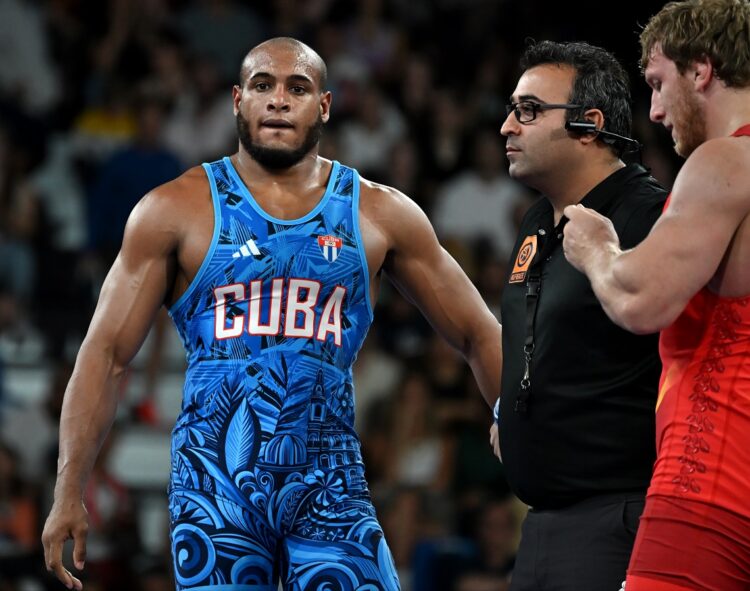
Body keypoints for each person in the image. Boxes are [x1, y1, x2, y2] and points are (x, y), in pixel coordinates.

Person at [40, 37, 502, 591]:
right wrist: (70, 487)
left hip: (329, 483)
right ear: (238, 100)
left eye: (297, 87)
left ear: (324, 106)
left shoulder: (380, 211)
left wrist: (513, 419)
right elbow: (106, 354)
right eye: (263, 85)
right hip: (216, 490)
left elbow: (479, 332)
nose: (278, 100)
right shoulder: (174, 209)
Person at [562, 1, 750, 589]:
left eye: (659, 83)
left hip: (709, 479)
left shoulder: (724, 160)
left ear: (702, 71)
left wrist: (597, 245)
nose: (657, 110)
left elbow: (640, 299)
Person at [491, 40, 667, 591]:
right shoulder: (538, 219)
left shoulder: (652, 216)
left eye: (528, 111)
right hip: (542, 523)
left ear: (589, 125)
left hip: (619, 521)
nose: (506, 127)